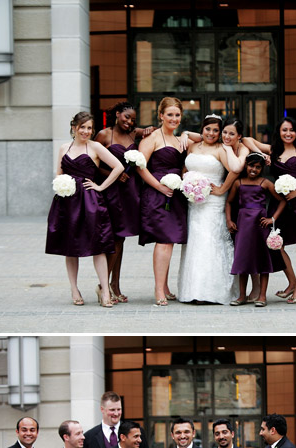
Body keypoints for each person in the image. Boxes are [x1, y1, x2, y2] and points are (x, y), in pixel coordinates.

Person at [46, 111, 124, 308]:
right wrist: (61, 184)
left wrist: (100, 186)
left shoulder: (95, 147)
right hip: (67, 202)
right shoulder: (64, 148)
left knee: (98, 247)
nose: (86, 131)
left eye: (89, 128)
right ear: (74, 127)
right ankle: (74, 289)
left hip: (90, 202)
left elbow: (118, 167)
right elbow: (59, 173)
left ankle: (105, 291)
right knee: (70, 248)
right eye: (82, 127)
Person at [243, 117, 296, 304]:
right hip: (281, 203)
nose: (288, 133)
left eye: (292, 130)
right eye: (284, 130)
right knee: (276, 243)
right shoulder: (273, 150)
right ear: (278, 132)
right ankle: (292, 281)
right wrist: (261, 154)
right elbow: (247, 139)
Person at [177, 114, 241, 305]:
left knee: (210, 242)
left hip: (213, 202)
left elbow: (234, 170)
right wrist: (187, 182)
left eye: (216, 130)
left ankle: (212, 292)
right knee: (195, 242)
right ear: (202, 129)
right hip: (194, 201)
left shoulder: (222, 149)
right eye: (208, 129)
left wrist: (222, 189)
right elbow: (185, 167)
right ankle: (193, 290)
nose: (211, 133)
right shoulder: (192, 146)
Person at [94, 102, 154, 303]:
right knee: (115, 239)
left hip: (130, 192)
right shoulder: (104, 134)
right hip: (111, 191)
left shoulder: (133, 133)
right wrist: (113, 173)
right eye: (126, 117)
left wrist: (148, 129)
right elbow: (92, 164)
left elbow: (152, 130)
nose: (129, 122)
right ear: (117, 114)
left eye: (133, 119)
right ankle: (104, 286)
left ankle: (115, 285)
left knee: (122, 239)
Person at [138, 97, 189, 306]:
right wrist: (158, 186)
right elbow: (140, 166)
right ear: (160, 115)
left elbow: (201, 137)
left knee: (170, 242)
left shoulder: (180, 140)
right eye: (169, 114)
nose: (174, 119)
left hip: (175, 196)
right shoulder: (153, 138)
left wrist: (185, 133)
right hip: (157, 194)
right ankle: (158, 289)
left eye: (177, 115)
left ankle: (166, 287)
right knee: (164, 240)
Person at [226, 152, 286, 307]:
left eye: (258, 167)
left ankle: (262, 296)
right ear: (246, 165)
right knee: (243, 259)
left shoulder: (265, 183)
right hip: (243, 226)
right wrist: (229, 220)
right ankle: (241, 296)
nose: (254, 169)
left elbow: (282, 201)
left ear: (262, 169)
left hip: (260, 226)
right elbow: (229, 202)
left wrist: (272, 219)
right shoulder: (238, 183)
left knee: (263, 259)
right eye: (251, 165)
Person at [83, 391, 150, 448]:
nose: (116, 413)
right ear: (102, 409)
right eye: (112, 410)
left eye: (119, 409)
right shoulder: (89, 437)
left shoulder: (137, 432)